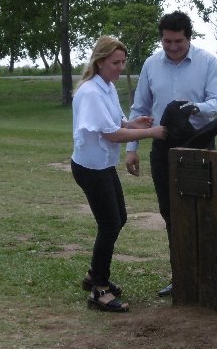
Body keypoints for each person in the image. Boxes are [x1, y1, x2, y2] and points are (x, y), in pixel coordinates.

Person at [125, 11, 217, 297]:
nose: (172, 47)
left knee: (205, 212)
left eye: (178, 41)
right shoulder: (150, 64)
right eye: (167, 41)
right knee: (170, 212)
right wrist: (132, 149)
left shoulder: (207, 61)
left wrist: (195, 108)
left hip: (199, 144)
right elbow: (140, 108)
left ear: (188, 37)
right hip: (163, 146)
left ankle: (208, 275)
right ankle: (181, 274)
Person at [72, 36, 167, 312]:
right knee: (110, 224)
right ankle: (99, 289)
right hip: (90, 169)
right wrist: (150, 132)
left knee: (119, 218)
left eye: (123, 62)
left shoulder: (107, 87)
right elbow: (112, 135)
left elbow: (116, 122)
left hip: (102, 166)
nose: (120, 67)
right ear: (100, 61)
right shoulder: (90, 92)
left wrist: (133, 123)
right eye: (115, 62)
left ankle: (93, 275)